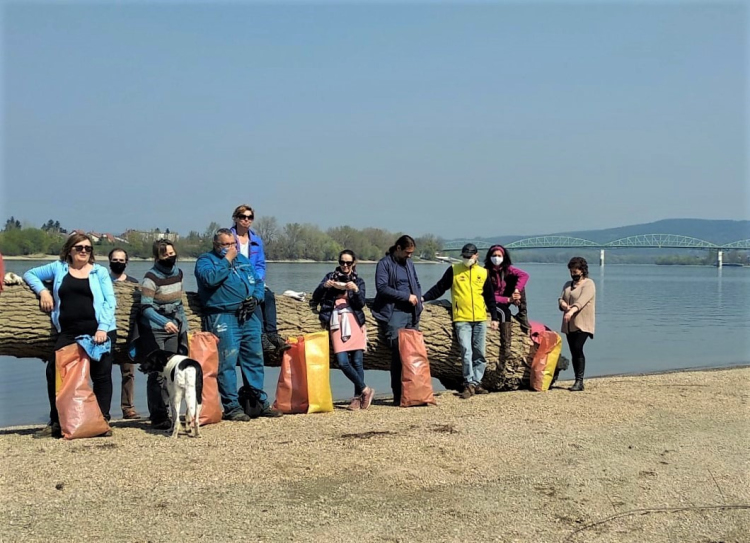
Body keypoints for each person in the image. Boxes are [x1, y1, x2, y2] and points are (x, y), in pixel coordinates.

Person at [23, 234, 116, 438]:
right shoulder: (58, 268)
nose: (83, 251)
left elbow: (110, 302)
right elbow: (29, 273)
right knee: (54, 373)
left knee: (101, 376)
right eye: (79, 247)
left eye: (88, 248)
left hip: (99, 330)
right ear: (70, 250)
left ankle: (101, 421)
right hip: (68, 331)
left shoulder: (99, 272)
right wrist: (43, 292)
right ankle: (56, 422)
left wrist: (102, 328)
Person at [195, 228, 282, 420]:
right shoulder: (205, 261)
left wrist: (256, 298)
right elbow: (210, 280)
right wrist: (226, 260)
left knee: (254, 358)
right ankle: (232, 406)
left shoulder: (243, 261)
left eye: (233, 244)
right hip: (222, 315)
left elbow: (258, 283)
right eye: (225, 245)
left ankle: (258, 401)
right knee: (227, 361)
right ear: (216, 245)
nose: (231, 248)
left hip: (248, 314)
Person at [423, 243, 499, 399]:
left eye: (469, 256)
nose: (467, 259)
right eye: (464, 256)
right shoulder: (454, 270)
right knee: (466, 351)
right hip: (461, 318)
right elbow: (440, 288)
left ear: (476, 256)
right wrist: (423, 298)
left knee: (480, 353)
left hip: (480, 318)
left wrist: (495, 318)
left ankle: (476, 382)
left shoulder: (483, 273)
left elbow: (490, 298)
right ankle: (469, 382)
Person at [311, 250, 375, 410]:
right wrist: (324, 286)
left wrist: (355, 290)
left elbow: (360, 304)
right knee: (342, 361)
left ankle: (357, 398)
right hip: (336, 322)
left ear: (354, 263)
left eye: (348, 263)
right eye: (342, 262)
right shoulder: (330, 277)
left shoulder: (358, 281)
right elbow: (316, 297)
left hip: (354, 321)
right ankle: (366, 389)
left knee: (357, 361)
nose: (344, 266)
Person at [138, 239, 188, 429]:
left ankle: (171, 411)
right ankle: (158, 415)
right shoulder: (151, 278)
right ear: (158, 256)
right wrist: (163, 322)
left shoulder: (179, 273)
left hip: (174, 327)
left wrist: (183, 326)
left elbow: (179, 303)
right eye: (166, 255)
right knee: (157, 373)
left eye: (172, 253)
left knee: (172, 371)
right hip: (155, 327)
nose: (170, 257)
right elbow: (146, 308)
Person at [229, 204, 288, 354]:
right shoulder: (228, 238)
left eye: (250, 217)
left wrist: (258, 279)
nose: (246, 220)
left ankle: (272, 334)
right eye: (243, 217)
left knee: (268, 296)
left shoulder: (256, 240)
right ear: (236, 218)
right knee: (253, 299)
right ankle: (261, 336)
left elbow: (260, 264)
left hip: (254, 279)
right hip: (236, 281)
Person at [372, 235, 422, 406]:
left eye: (412, 253)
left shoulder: (409, 264)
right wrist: (406, 296)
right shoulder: (384, 264)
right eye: (407, 252)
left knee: (412, 355)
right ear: (398, 248)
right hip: (394, 313)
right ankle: (398, 394)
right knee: (398, 354)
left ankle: (414, 392)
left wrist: (419, 301)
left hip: (412, 313)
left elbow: (416, 283)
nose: (410, 255)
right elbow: (382, 288)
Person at [108, 248, 140, 419]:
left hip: (128, 335)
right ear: (109, 261)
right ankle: (100, 408)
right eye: (115, 260)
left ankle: (127, 407)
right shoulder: (103, 280)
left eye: (121, 260)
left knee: (128, 373)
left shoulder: (134, 283)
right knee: (102, 373)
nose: (118, 263)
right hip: (105, 333)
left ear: (126, 262)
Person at [484, 244, 531, 360]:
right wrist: (507, 300)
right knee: (505, 313)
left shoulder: (507, 269)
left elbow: (524, 275)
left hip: (507, 297)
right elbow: (486, 296)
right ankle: (506, 348)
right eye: (494, 255)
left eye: (499, 255)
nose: (496, 258)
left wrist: (516, 291)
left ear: (504, 257)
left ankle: (522, 314)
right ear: (490, 257)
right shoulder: (485, 272)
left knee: (520, 285)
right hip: (492, 301)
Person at [558, 256, 596, 392]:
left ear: (582, 270)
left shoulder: (589, 284)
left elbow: (582, 301)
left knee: (577, 347)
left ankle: (579, 381)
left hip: (583, 323)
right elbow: (561, 298)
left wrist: (571, 311)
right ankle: (577, 381)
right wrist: (563, 305)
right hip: (569, 325)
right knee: (573, 351)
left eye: (575, 271)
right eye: (571, 271)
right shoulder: (567, 284)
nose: (573, 274)